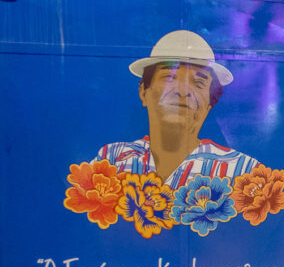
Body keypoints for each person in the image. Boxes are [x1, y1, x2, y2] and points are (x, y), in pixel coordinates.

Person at [92, 30, 267, 189]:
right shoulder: (111, 160)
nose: (183, 91)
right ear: (144, 92)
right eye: (169, 78)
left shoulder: (242, 171)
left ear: (210, 103)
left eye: (199, 83)